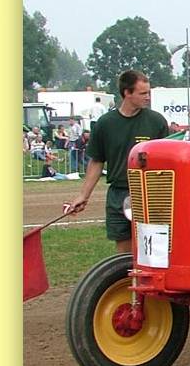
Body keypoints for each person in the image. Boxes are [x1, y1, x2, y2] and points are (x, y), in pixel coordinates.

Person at [64, 70, 169, 253]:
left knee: (154, 252)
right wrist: (83, 196)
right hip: (118, 194)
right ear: (127, 93)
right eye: (143, 93)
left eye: (148, 93)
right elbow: (97, 162)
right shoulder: (105, 123)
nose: (148, 97)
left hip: (150, 194)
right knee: (124, 255)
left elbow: (167, 161)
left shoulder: (156, 121)